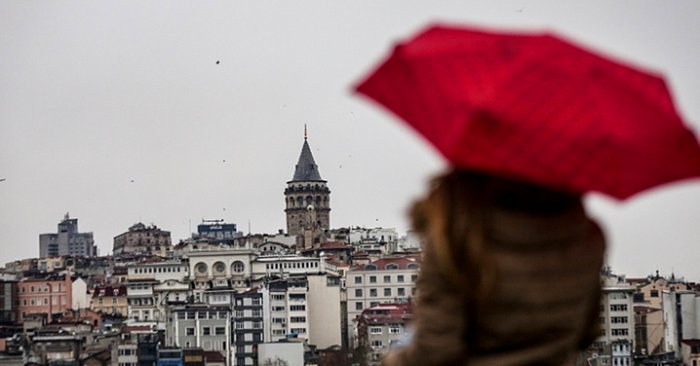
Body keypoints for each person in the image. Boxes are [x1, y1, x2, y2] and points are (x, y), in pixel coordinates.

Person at [382, 169, 606, 366]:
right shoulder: (587, 236)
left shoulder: (456, 238)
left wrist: (391, 361)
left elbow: (436, 351)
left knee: (406, 338)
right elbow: (588, 332)